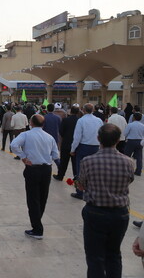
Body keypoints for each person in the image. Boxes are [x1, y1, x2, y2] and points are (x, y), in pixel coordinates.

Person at [77, 124, 135, 277]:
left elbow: (81, 185)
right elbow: (129, 181)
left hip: (96, 213)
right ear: (118, 140)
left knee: (95, 257)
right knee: (114, 254)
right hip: (120, 214)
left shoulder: (87, 161)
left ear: (98, 139)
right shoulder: (129, 162)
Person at [10, 114, 59, 240]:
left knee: (33, 199)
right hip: (46, 169)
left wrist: (23, 156)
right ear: (43, 124)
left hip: (33, 169)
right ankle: (38, 222)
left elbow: (14, 145)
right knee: (43, 197)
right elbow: (55, 154)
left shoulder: (26, 135)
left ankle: (37, 228)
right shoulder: (49, 137)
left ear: (31, 123)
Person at [70, 103, 103, 199]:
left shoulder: (81, 121)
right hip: (95, 147)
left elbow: (77, 137)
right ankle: (92, 190)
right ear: (92, 110)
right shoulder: (99, 120)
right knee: (93, 170)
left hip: (83, 147)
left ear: (83, 110)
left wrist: (73, 149)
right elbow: (101, 133)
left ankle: (79, 192)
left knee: (80, 170)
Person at [54, 106, 79, 180]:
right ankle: (76, 177)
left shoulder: (65, 120)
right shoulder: (79, 120)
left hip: (66, 143)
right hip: (76, 144)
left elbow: (61, 132)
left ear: (70, 111)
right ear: (78, 112)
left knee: (63, 162)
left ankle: (60, 176)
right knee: (75, 163)